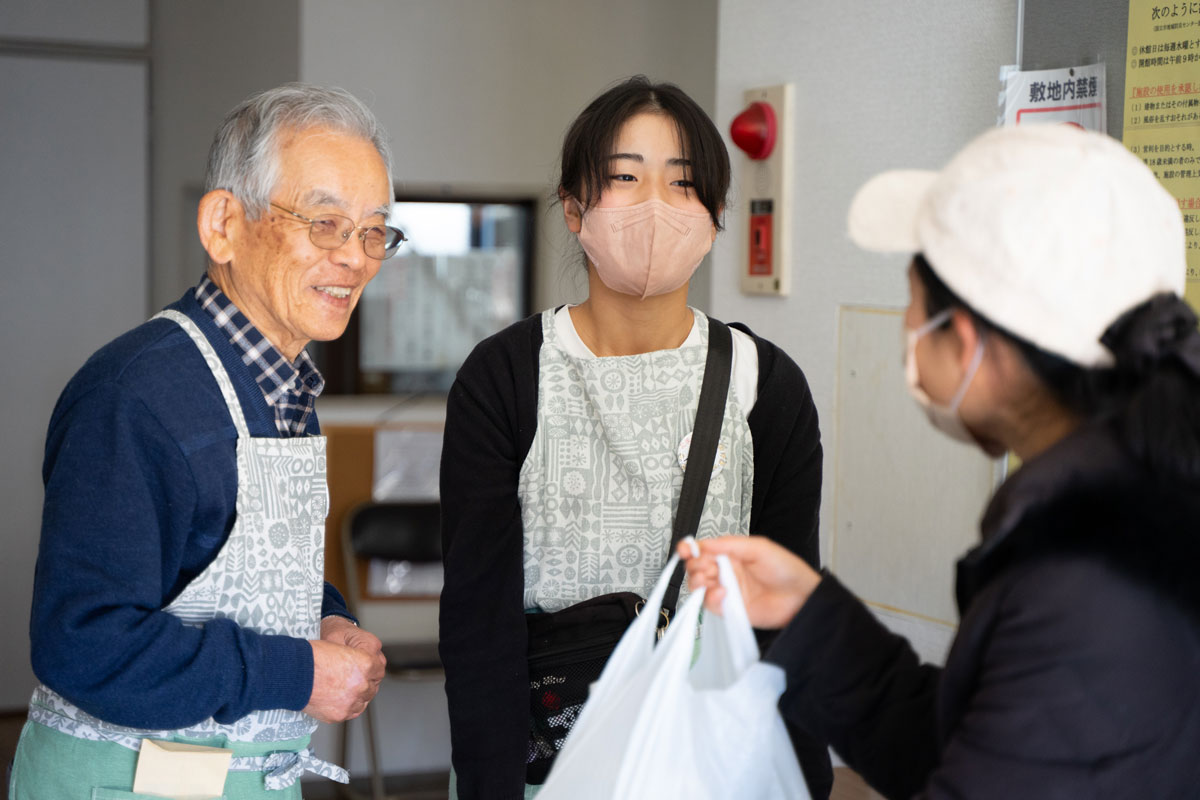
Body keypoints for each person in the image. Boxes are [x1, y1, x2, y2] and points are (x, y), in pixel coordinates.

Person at [681, 123, 1200, 798]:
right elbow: (988, 745)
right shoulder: (1141, 508)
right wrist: (812, 617)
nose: (906, 326)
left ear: (963, 339)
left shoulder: (1088, 585)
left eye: (912, 302)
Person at [9, 83, 408, 800]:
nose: (355, 258)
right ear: (223, 223)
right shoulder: (135, 394)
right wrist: (299, 673)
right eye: (324, 223)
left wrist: (326, 617)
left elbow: (221, 560)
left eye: (374, 230)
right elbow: (82, 643)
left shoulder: (283, 382)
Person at [439, 75, 831, 799]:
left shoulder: (764, 386)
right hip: (553, 765)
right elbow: (478, 625)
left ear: (714, 216)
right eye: (624, 177)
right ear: (573, 207)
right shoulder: (505, 378)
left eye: (683, 185)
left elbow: (789, 615)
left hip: (720, 767)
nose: (656, 204)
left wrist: (803, 781)